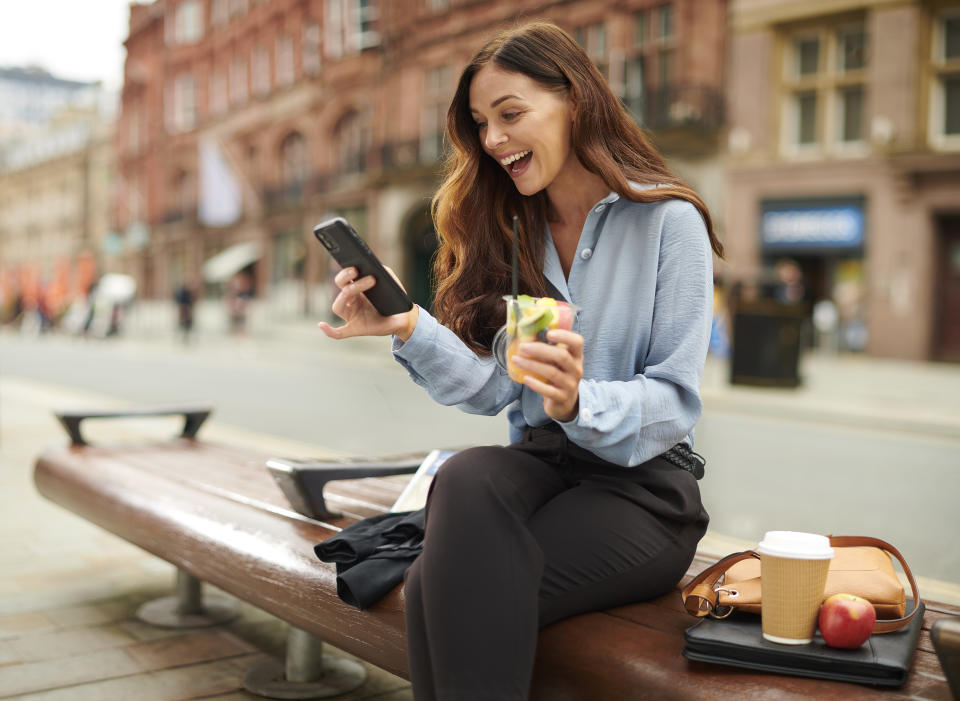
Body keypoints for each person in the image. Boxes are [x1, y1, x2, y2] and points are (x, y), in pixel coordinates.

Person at [318, 22, 724, 700]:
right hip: (538, 467)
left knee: (439, 588)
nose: (494, 139)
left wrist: (577, 401)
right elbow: (488, 390)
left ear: (576, 101)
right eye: (480, 123)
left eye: (510, 114)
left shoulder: (667, 221)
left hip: (641, 491)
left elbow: (675, 400)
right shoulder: (513, 231)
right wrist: (407, 323)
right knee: (468, 473)